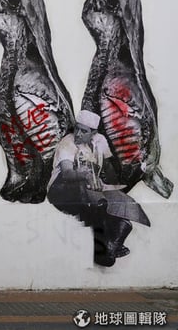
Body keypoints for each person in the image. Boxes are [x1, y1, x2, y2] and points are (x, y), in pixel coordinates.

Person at [47, 110, 150, 267]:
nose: (78, 134)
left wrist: (115, 187)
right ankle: (104, 252)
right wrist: (85, 175)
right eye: (77, 128)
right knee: (98, 206)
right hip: (61, 190)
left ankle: (112, 245)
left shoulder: (100, 140)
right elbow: (67, 173)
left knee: (122, 206)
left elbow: (108, 167)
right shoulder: (67, 143)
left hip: (88, 190)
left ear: (93, 133)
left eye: (84, 131)